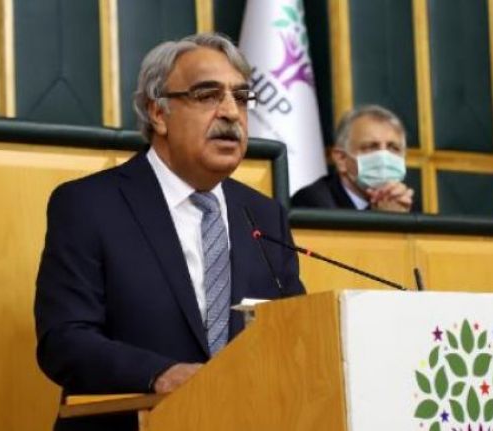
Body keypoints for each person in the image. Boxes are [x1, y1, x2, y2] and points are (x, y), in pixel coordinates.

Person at [34, 33, 305, 431]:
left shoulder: (264, 215)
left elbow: (295, 335)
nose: (231, 112)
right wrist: (159, 374)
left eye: (241, 97)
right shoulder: (89, 205)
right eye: (208, 95)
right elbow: (64, 340)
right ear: (158, 113)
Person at [291, 105, 417, 212]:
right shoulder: (313, 202)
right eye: (371, 147)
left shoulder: (404, 202)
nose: (384, 157)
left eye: (393, 148)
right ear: (341, 159)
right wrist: (386, 219)